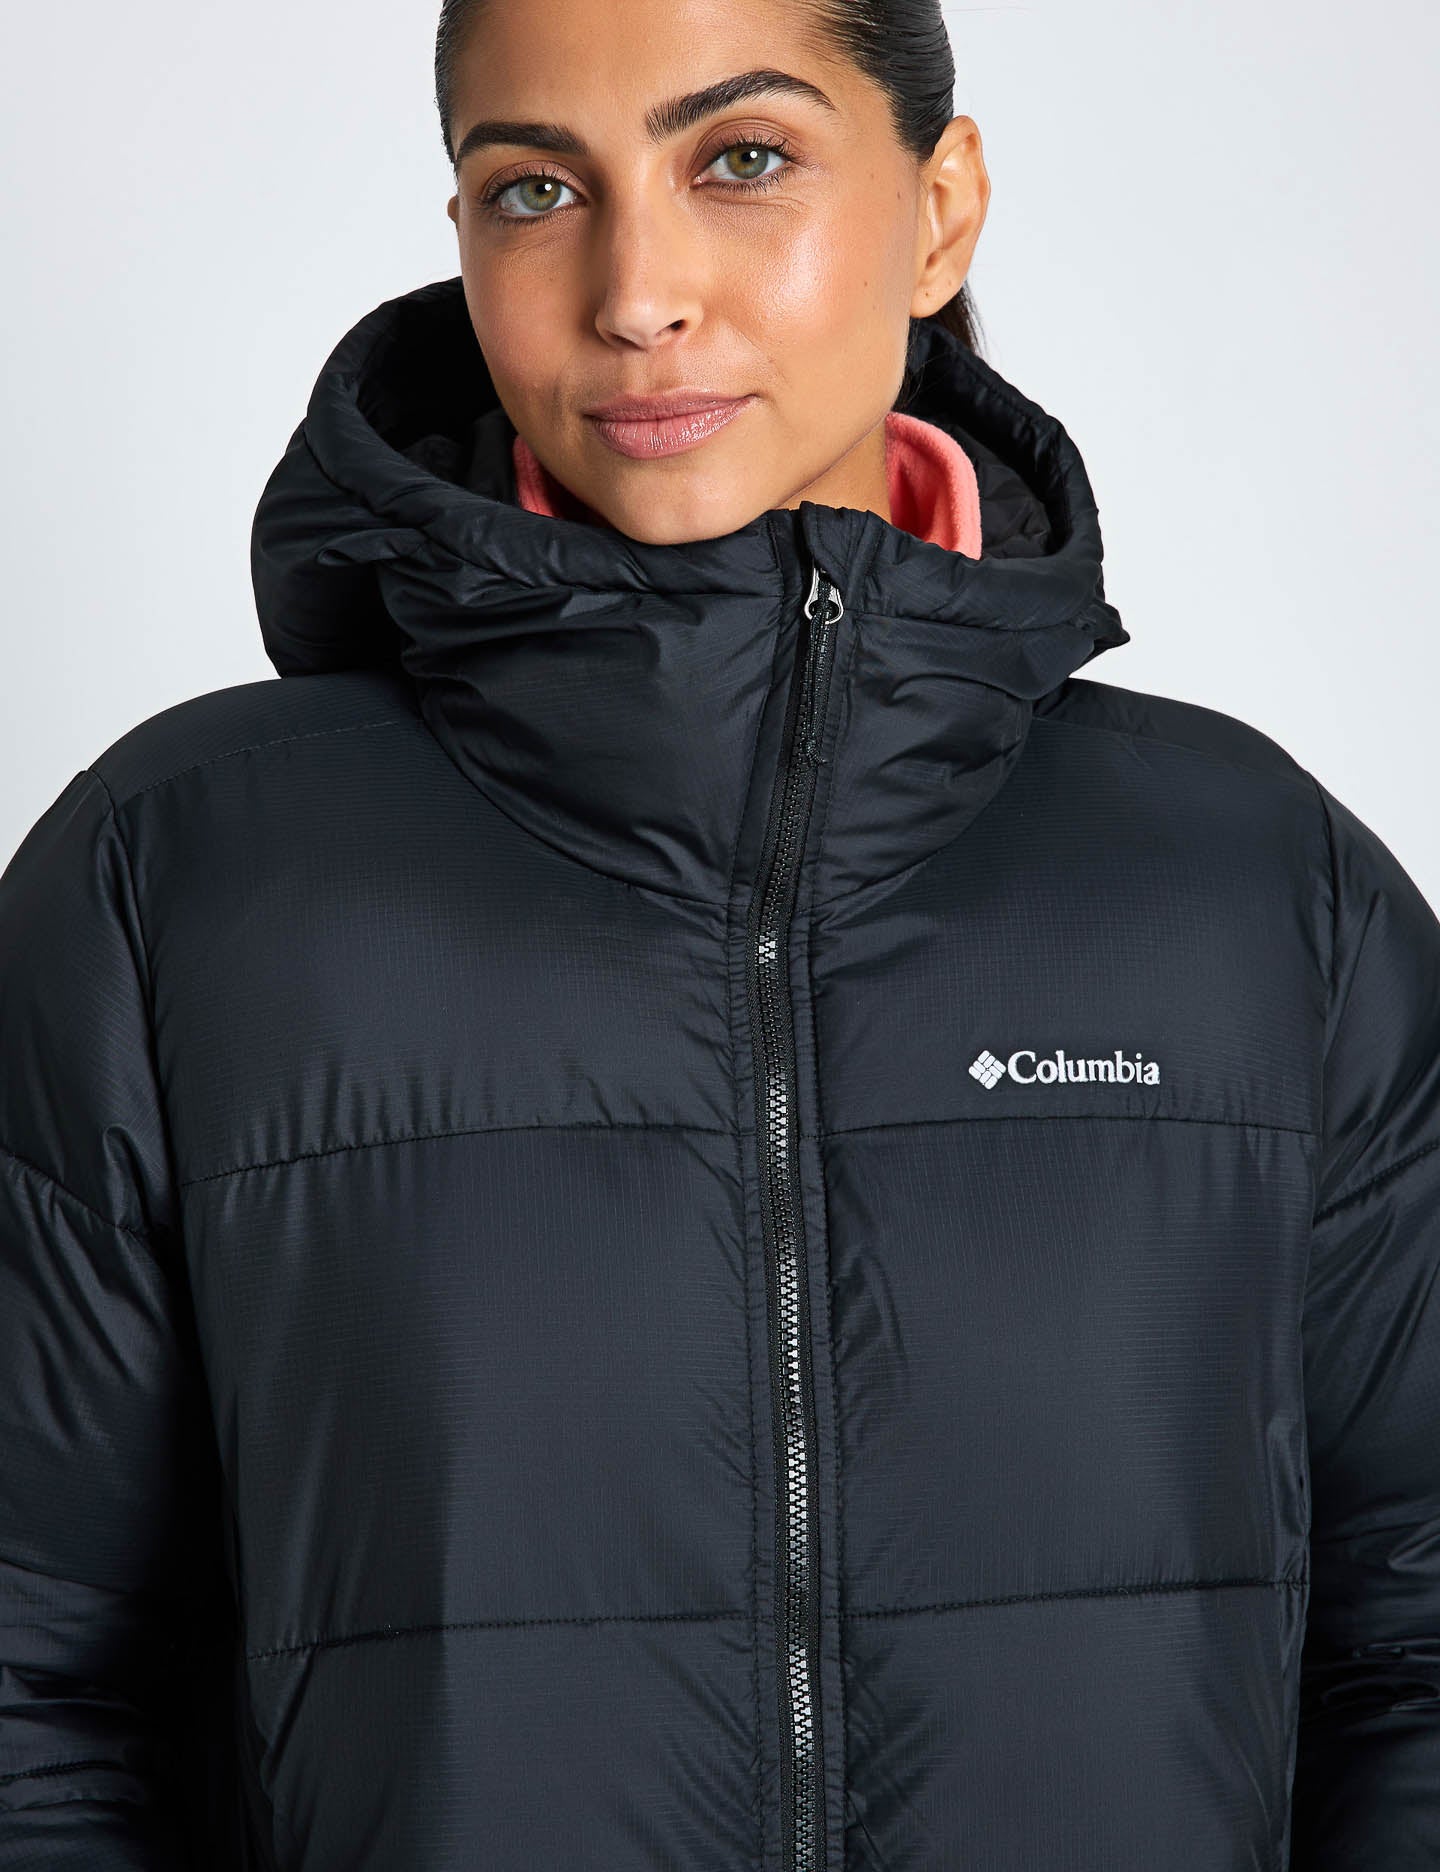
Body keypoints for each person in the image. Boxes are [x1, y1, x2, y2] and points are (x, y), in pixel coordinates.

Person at [1, 0, 1436, 1864]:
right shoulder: (181, 878)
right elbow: (28, 1683)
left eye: (741, 160)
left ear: (940, 209)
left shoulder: (1255, 889)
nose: (636, 294)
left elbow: (1417, 1646)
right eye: (536, 189)